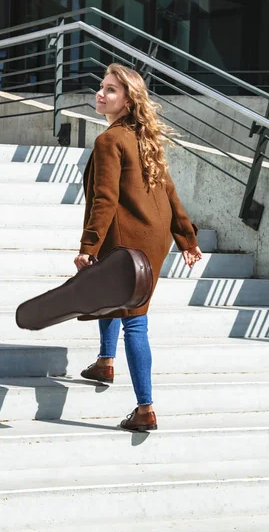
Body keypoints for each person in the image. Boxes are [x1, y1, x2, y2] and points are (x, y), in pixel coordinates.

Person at [74, 63, 202, 433]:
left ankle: (145, 408)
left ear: (129, 100)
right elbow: (169, 191)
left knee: (135, 321)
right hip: (153, 237)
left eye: (111, 89)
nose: (101, 94)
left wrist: (88, 244)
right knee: (108, 295)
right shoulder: (144, 137)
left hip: (126, 239)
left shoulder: (109, 140)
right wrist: (186, 238)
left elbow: (105, 198)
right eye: (101, 87)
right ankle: (104, 362)